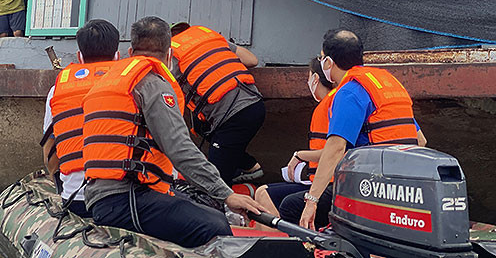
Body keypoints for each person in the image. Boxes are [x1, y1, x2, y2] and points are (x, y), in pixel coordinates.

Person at [83, 16, 266, 248]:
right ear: (169, 55)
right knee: (216, 224)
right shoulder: (152, 83)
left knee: (197, 206)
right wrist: (226, 195)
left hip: (100, 195)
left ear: (130, 52)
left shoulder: (108, 82)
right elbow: (179, 148)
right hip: (126, 197)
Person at [282, 29, 426, 230]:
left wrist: (312, 201)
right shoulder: (387, 84)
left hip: (373, 189)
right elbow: (420, 141)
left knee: (290, 206)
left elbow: (335, 149)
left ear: (328, 63)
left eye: (322, 58)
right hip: (405, 187)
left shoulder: (349, 92)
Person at [40, 19, 121, 217]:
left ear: (79, 56)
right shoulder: (131, 87)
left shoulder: (57, 91)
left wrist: (60, 185)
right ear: (118, 56)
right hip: (122, 202)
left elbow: (49, 149)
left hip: (76, 200)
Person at [169, 22, 264, 184]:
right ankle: (249, 166)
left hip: (232, 117)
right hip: (256, 105)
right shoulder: (212, 39)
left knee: (213, 185)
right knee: (202, 128)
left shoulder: (173, 56)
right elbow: (252, 60)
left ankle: (232, 178)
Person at [255, 57, 335, 218]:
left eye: (309, 77)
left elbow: (336, 150)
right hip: (322, 181)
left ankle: (276, 242)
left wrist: (300, 155)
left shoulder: (331, 105)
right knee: (263, 191)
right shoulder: (331, 102)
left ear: (316, 79)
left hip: (329, 186)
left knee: (265, 195)